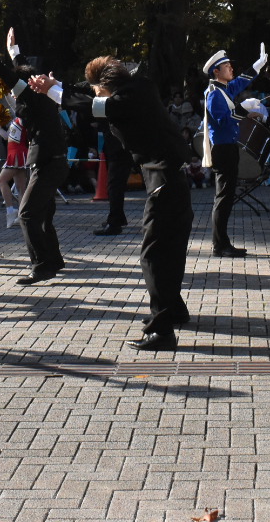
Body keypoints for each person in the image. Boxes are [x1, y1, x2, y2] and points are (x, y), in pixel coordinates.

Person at [75, 56, 193, 351]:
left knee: (153, 255)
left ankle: (162, 330)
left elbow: (88, 104)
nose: (99, 97)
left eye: (99, 91)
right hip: (172, 178)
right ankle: (175, 310)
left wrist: (52, 90)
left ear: (107, 85)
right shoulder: (140, 87)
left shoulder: (127, 98)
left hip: (164, 180)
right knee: (171, 250)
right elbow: (84, 92)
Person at [0, 28, 67, 285]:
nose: (11, 93)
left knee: (28, 213)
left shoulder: (33, 95)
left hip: (47, 162)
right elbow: (22, 75)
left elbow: (15, 79)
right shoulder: (42, 95)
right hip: (55, 161)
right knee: (42, 213)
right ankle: (54, 260)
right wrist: (13, 52)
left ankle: (42, 265)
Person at [200, 45, 267, 257]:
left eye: (230, 66)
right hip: (223, 149)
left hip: (228, 147)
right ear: (216, 72)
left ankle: (222, 242)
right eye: (226, 67)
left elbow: (240, 83)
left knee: (226, 198)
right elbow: (222, 120)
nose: (231, 69)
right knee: (223, 198)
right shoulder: (213, 94)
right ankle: (220, 245)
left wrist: (257, 66)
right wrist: (243, 110)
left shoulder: (222, 89)